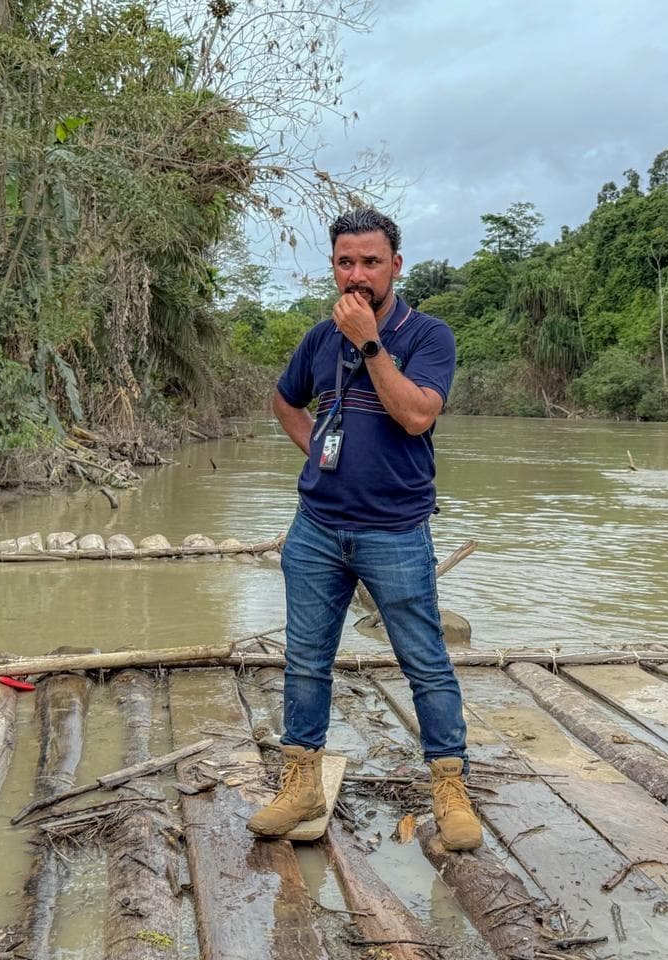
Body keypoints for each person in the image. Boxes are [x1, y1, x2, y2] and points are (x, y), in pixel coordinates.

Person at [248, 208, 481, 852]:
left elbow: (415, 417)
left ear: (396, 266)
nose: (357, 276)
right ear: (334, 265)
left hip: (396, 529)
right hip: (317, 525)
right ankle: (300, 782)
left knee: (425, 661)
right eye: (345, 263)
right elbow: (285, 399)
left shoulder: (428, 336)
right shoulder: (319, 339)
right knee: (305, 660)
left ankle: (449, 786)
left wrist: (370, 342)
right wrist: (320, 451)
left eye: (370, 262)